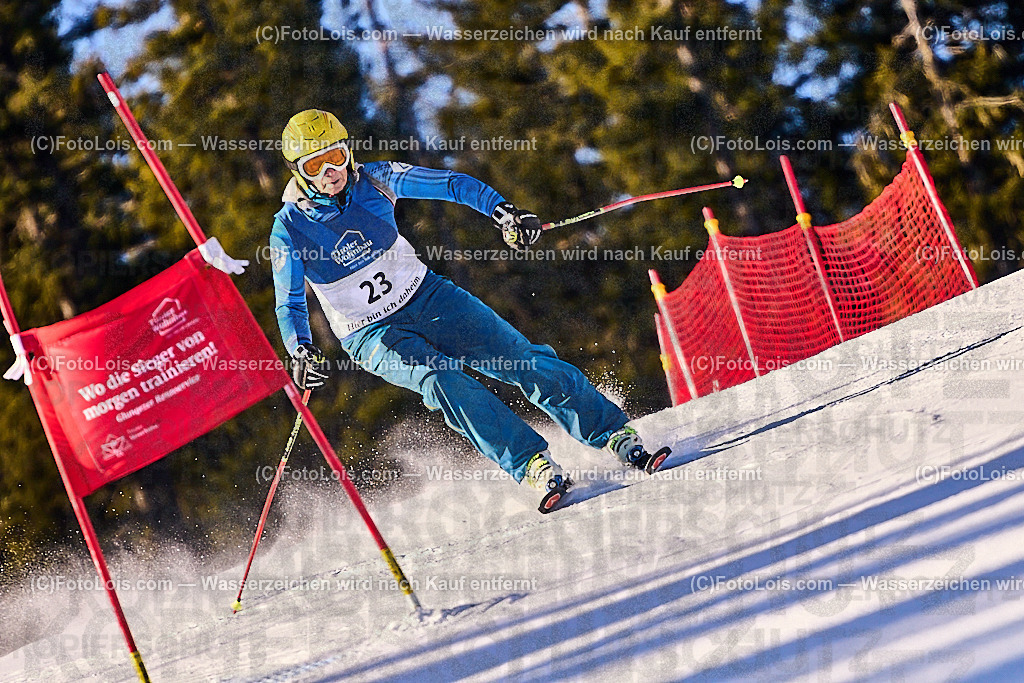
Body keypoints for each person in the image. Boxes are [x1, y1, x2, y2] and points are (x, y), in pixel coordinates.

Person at [270, 109, 667, 512]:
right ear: (299, 172)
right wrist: (300, 348)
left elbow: (451, 184)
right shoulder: (289, 228)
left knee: (518, 358)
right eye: (315, 164)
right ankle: (531, 463)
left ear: (348, 152)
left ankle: (613, 434)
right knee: (441, 380)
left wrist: (503, 212)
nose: (330, 171)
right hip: (370, 334)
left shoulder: (376, 178)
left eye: (336, 156)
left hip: (427, 296)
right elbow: (289, 301)